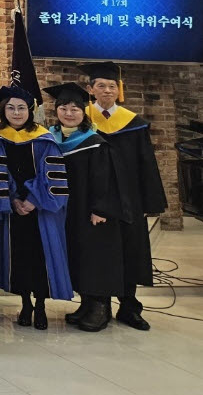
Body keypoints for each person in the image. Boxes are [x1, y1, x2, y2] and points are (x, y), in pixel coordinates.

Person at [80, 61, 167, 331]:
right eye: (101, 86)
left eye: (112, 86)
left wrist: (149, 202)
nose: (107, 90)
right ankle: (98, 306)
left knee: (130, 252)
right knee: (98, 253)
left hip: (129, 202)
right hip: (94, 203)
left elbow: (146, 164)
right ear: (90, 89)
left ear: (119, 90)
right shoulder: (82, 121)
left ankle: (129, 307)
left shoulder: (134, 124)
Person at [0, 85, 72, 330]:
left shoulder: (44, 138)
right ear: (3, 110)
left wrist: (33, 199)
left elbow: (52, 174)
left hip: (39, 210)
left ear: (30, 111)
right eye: (11, 108)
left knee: (39, 257)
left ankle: (40, 305)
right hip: (11, 210)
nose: (16, 113)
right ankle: (25, 304)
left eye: (21, 108)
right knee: (17, 257)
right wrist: (11, 199)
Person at [45, 82, 123, 333]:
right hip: (67, 210)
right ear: (56, 110)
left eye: (74, 109)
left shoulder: (94, 142)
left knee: (95, 256)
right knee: (77, 254)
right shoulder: (51, 138)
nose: (69, 113)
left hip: (91, 211)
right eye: (63, 108)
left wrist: (100, 208)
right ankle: (86, 303)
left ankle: (101, 306)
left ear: (83, 112)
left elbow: (105, 179)